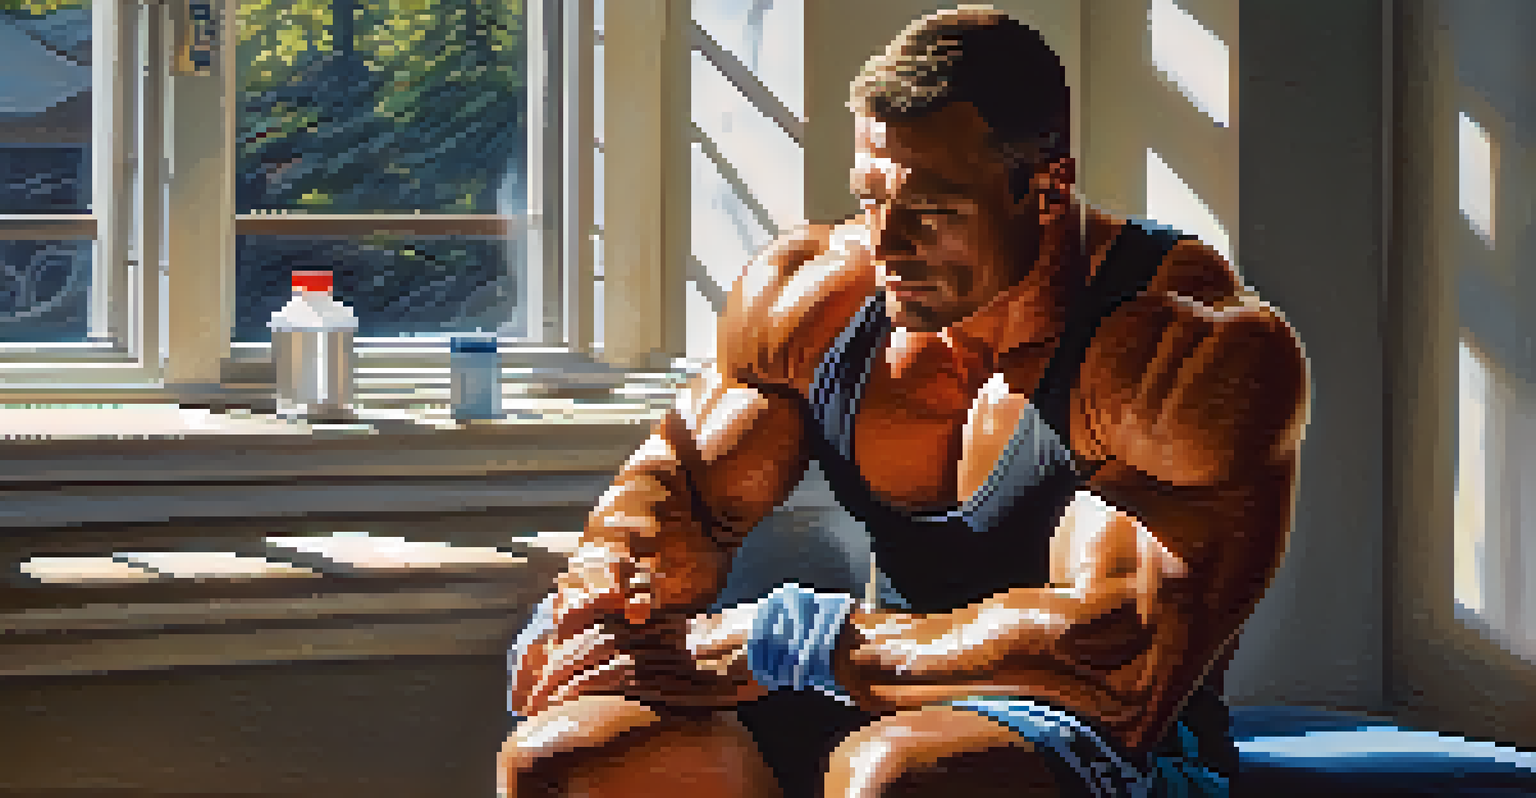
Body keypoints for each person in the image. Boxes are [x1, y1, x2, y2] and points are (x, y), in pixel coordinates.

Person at [501, 6, 1308, 797]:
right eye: (872, 199)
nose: (887, 245)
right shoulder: (812, 301)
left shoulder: (1181, 354)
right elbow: (675, 505)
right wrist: (598, 611)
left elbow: (1114, 668)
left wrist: (790, 641)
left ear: (1047, 186)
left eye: (932, 212)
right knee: (567, 757)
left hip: (1106, 738)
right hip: (881, 684)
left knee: (893, 776)